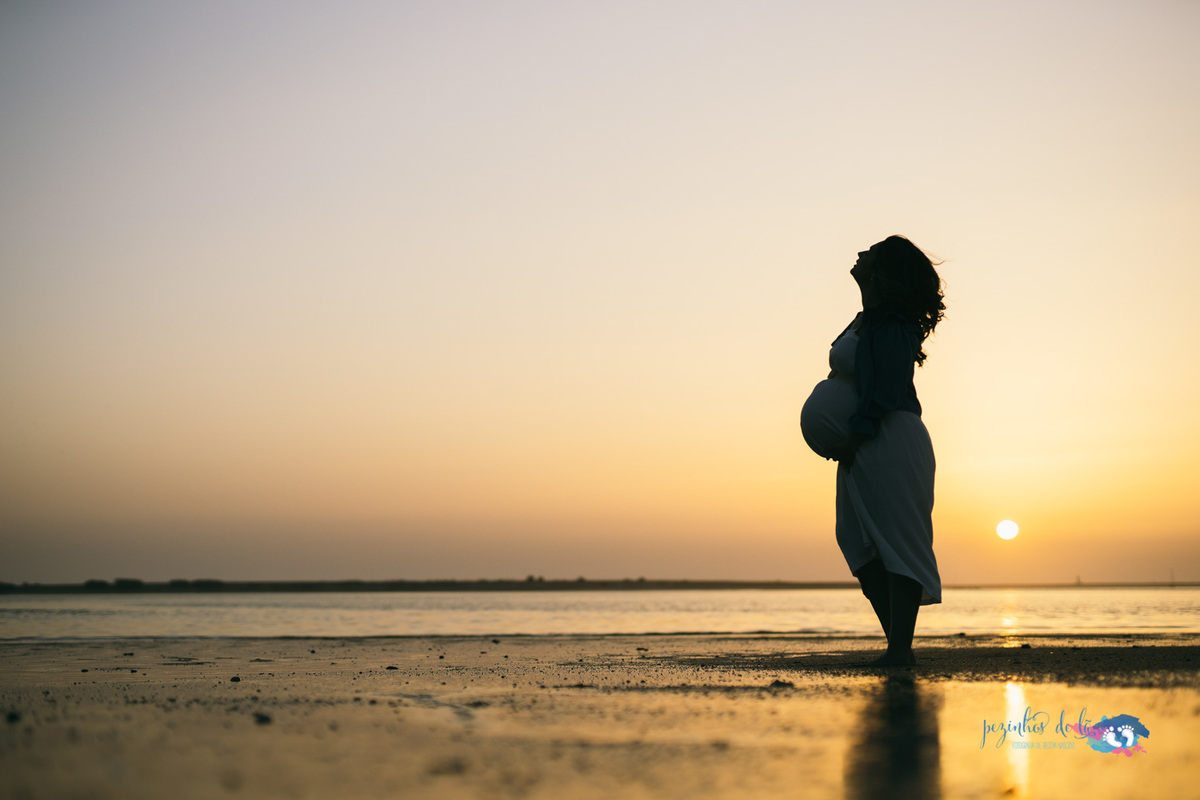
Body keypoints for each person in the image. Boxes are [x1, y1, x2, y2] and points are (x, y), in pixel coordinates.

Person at [801, 235, 945, 666]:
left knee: (896, 544)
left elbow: (885, 389)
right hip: (863, 443)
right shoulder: (868, 318)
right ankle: (899, 647)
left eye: (873, 253)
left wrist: (855, 434)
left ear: (884, 271)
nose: (861, 253)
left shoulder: (894, 324)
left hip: (888, 438)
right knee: (858, 545)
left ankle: (899, 651)